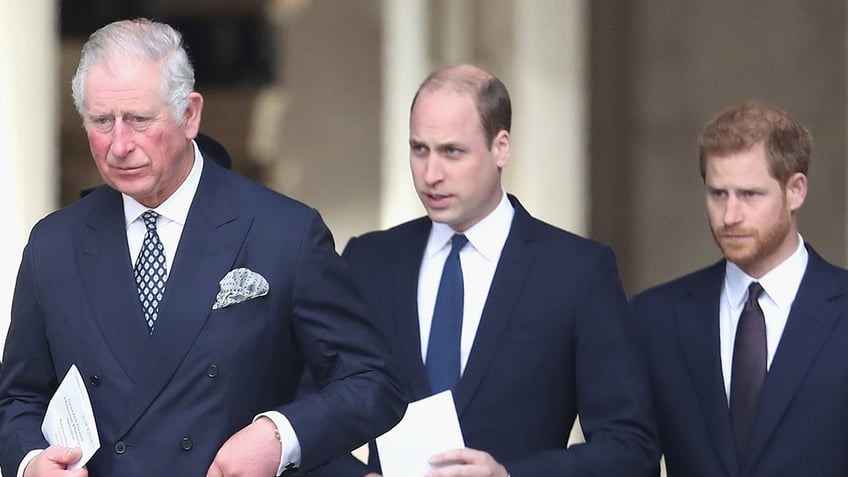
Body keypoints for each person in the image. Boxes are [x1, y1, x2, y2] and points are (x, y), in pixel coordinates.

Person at [0, 18, 405, 477]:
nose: (118, 144)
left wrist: (279, 435)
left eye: (137, 119)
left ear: (190, 115)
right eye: (101, 121)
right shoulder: (53, 246)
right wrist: (32, 462)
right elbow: (18, 399)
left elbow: (374, 382)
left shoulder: (284, 233)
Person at [308, 64, 658, 476]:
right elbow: (305, 411)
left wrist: (509, 476)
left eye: (452, 151)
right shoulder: (369, 261)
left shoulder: (577, 273)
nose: (430, 174)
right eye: (419, 149)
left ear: (501, 147)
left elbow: (629, 450)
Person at [631, 100, 848, 476]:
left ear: (795, 191)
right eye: (718, 194)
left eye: (749, 195)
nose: (730, 216)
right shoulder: (655, 318)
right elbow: (627, 455)